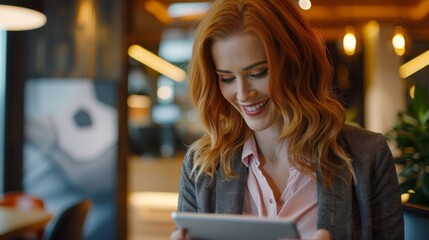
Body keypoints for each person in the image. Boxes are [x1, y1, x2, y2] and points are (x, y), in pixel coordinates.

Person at [171, 0, 404, 239]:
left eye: (258, 73)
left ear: (296, 62)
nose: (243, 94)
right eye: (227, 78)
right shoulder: (201, 167)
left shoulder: (367, 156)